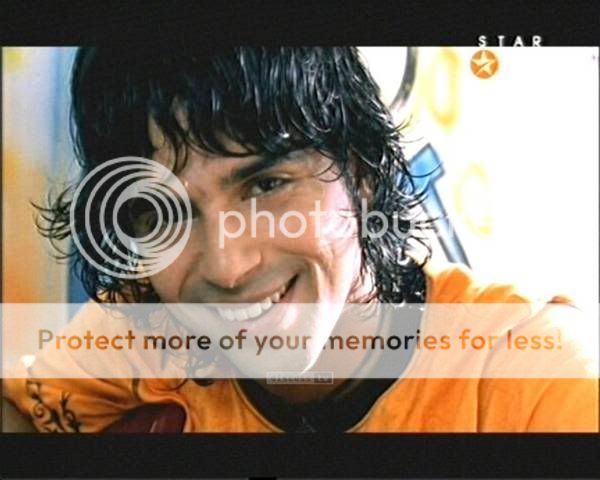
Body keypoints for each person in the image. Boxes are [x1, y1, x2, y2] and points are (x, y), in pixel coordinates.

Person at [2, 47, 597, 433]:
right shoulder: (147, 326)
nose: (227, 267)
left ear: (361, 173)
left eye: (267, 184)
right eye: (168, 214)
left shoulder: (527, 374)